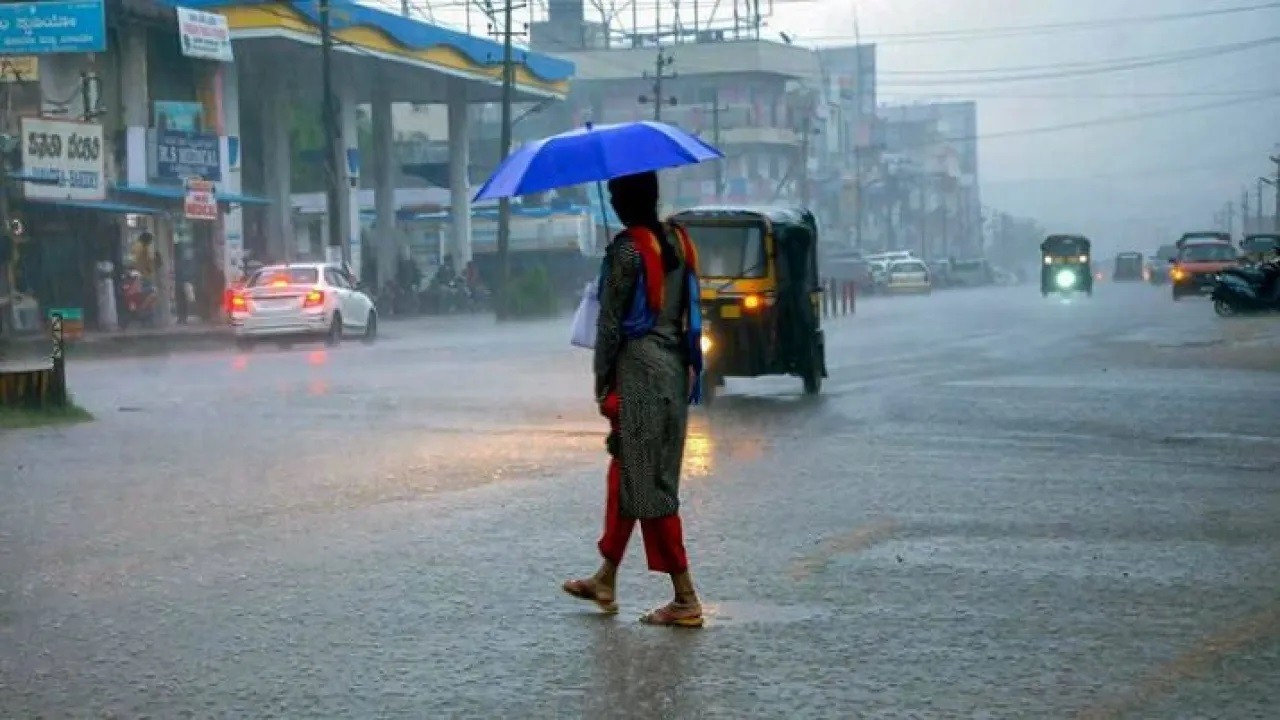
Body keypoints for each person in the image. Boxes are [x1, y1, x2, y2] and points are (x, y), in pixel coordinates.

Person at [562, 171, 706, 628]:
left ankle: (685, 597)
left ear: (625, 200)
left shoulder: (626, 250)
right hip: (674, 369)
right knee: (629, 472)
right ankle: (606, 576)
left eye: (614, 194)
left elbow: (608, 325)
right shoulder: (680, 241)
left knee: (648, 486)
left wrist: (603, 381)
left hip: (639, 372)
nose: (612, 200)